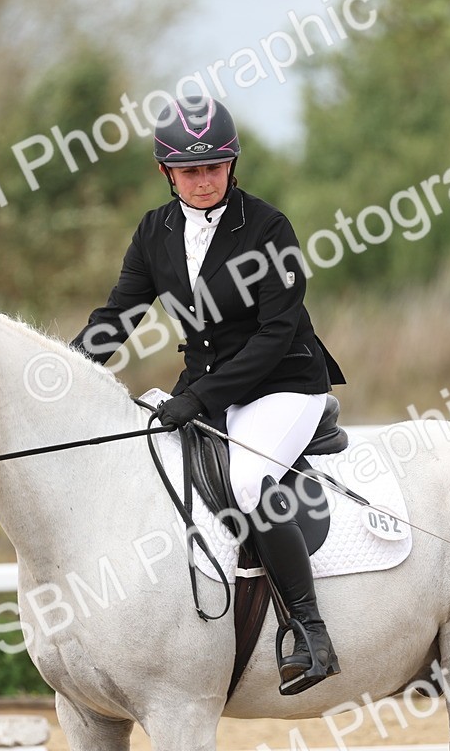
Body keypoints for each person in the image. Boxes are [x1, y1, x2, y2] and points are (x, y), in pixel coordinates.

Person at [70, 95, 345, 694]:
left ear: (231, 165)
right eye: (190, 170)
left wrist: (201, 398)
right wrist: (64, 372)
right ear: (166, 173)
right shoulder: (155, 231)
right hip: (209, 387)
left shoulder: (269, 227)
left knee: (249, 482)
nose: (203, 181)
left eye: (214, 167)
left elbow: (276, 333)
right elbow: (121, 315)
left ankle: (310, 632)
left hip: (285, 383)